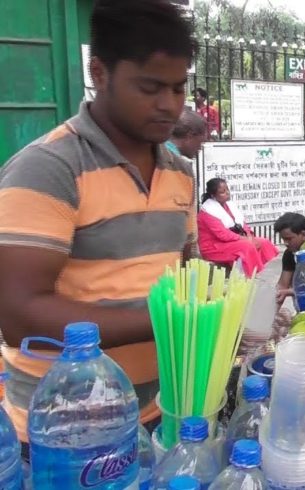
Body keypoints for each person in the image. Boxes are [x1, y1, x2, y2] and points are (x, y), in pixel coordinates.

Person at [0, 0, 196, 444]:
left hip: (155, 415)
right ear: (99, 73)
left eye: (179, 87)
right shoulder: (49, 169)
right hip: (60, 432)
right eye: (150, 87)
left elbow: (175, 277)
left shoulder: (179, 174)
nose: (169, 106)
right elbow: (16, 314)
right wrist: (168, 321)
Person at [198, 178, 279, 276]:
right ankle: (242, 275)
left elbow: (243, 225)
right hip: (214, 246)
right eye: (223, 192)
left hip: (233, 240)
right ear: (213, 195)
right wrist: (245, 239)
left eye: (227, 189)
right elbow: (223, 235)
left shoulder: (230, 205)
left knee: (263, 242)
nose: (227, 193)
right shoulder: (207, 211)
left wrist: (249, 236)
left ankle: (251, 271)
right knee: (246, 246)